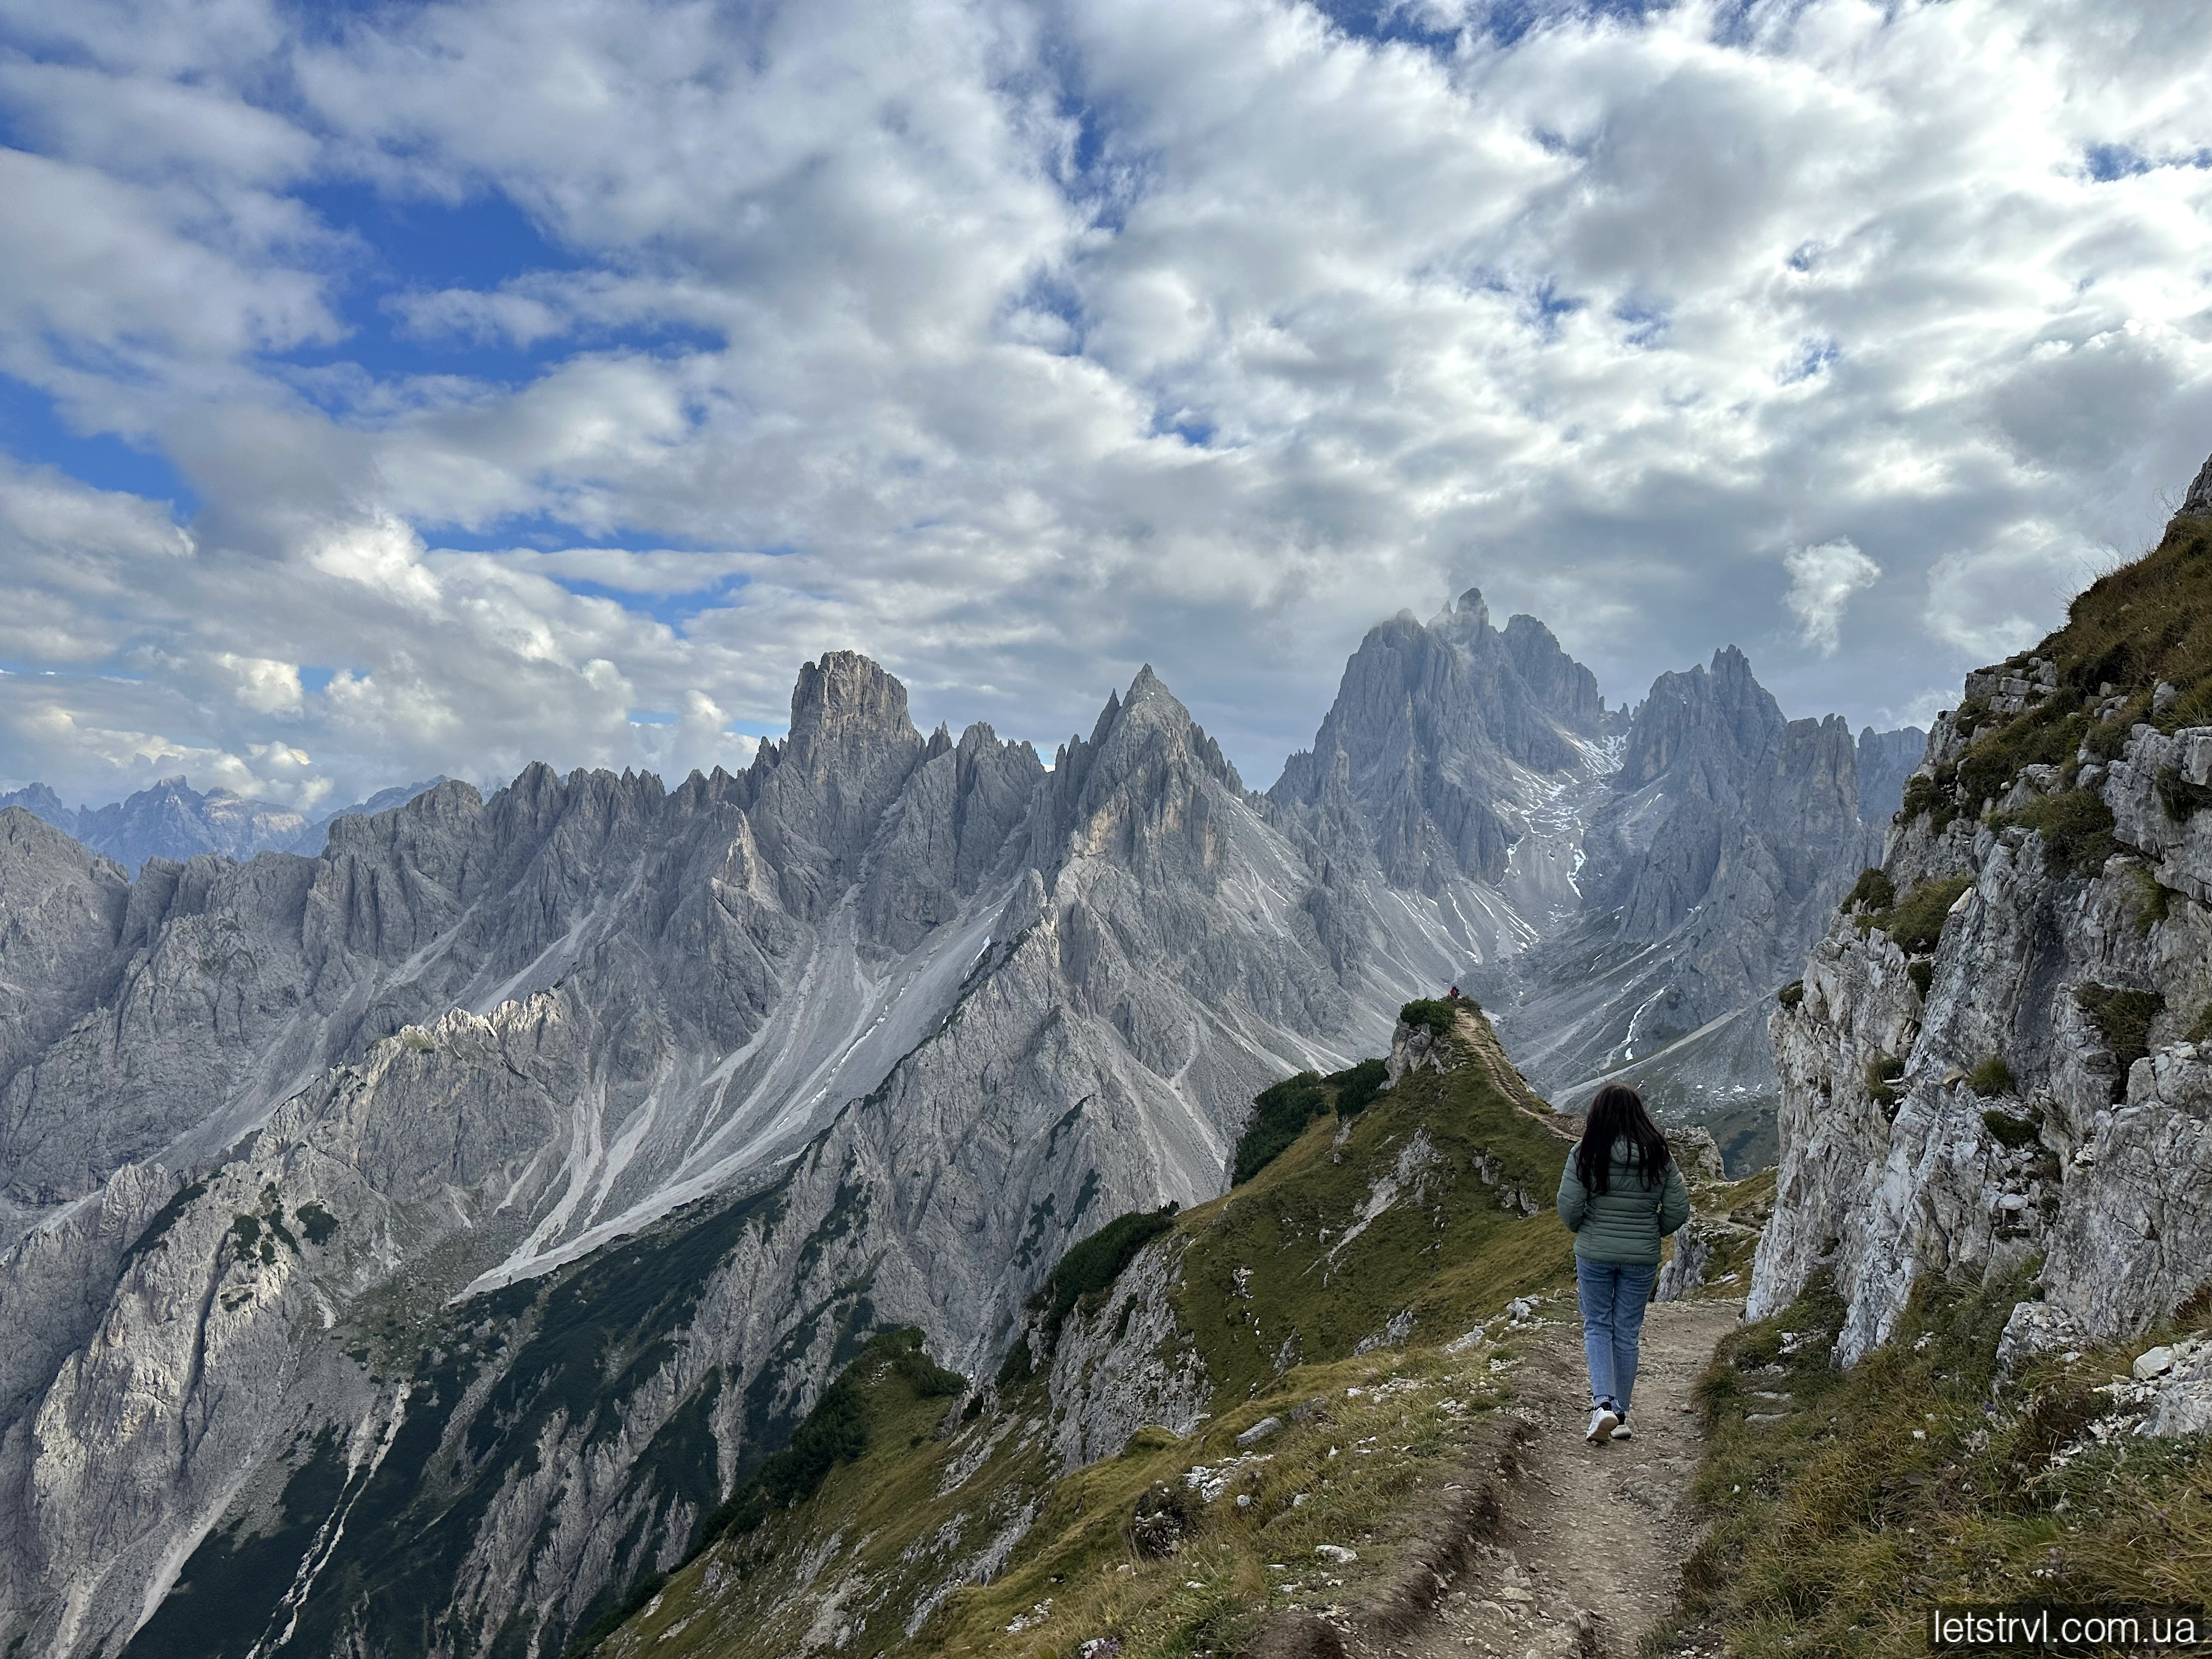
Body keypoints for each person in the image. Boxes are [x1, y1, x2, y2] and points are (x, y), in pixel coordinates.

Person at [1554, 1082, 1690, 1445]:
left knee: (1598, 1325)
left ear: (1598, 1115)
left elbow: (1568, 1207)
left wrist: (1585, 1228)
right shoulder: (1659, 1154)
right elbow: (1679, 1208)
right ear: (1638, 1115)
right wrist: (1650, 1232)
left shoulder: (1586, 1152)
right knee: (1626, 1330)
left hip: (1595, 1253)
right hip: (1641, 1257)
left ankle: (1602, 1406)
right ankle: (1622, 1413)